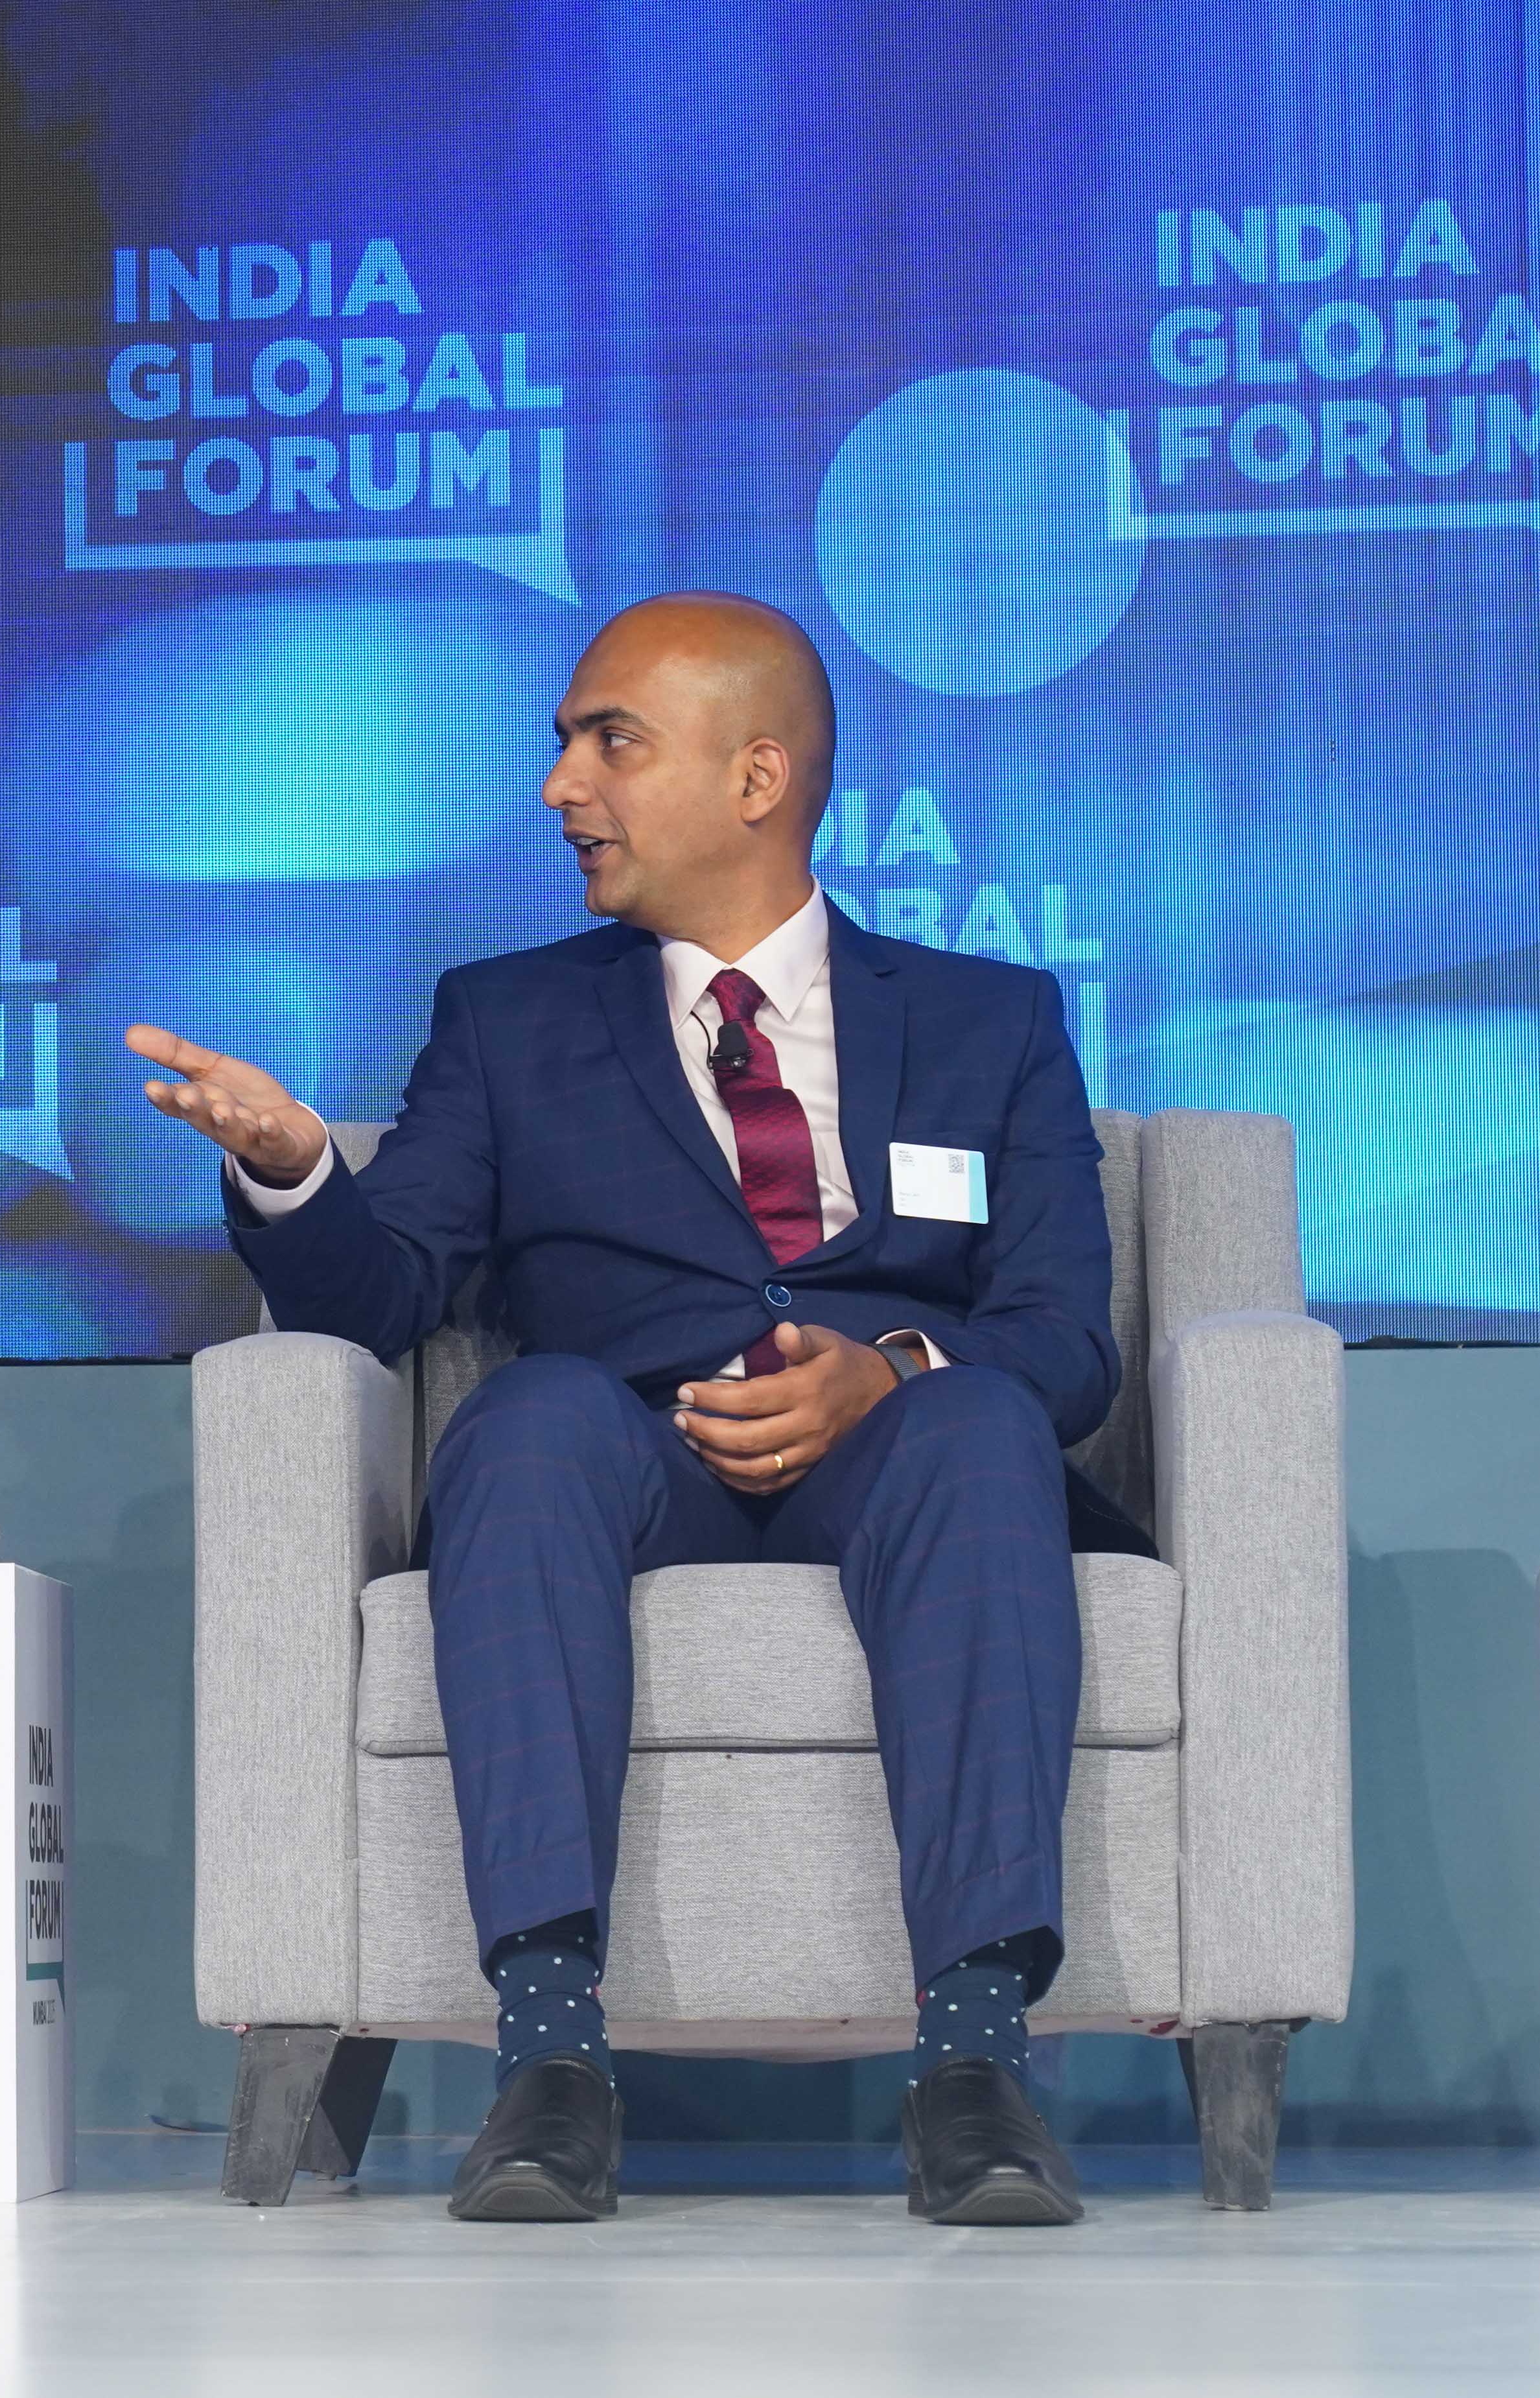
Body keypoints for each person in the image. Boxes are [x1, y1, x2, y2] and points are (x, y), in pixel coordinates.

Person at [131, 591, 1123, 2228]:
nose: (560, 786)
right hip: (628, 1460)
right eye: (563, 745)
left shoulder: (988, 1019)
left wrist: (887, 1371)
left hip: (900, 1458)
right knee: (527, 1414)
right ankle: (549, 2062)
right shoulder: (507, 1017)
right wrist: (296, 1169)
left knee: (983, 1419)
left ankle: (972, 2070)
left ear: (755, 777)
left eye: (610, 742)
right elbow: (380, 1299)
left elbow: (1066, 1336)